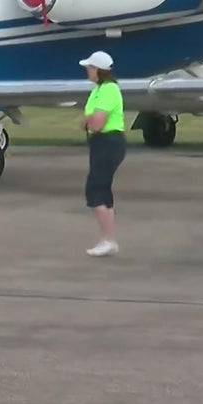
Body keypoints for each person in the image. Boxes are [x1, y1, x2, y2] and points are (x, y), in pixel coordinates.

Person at [78, 50, 126, 257]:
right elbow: (86, 121)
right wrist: (88, 120)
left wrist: (88, 120)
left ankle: (108, 239)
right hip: (101, 143)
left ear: (98, 70)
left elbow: (96, 123)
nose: (87, 71)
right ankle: (108, 239)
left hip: (108, 141)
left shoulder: (108, 90)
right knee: (102, 189)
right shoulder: (98, 90)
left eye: (89, 67)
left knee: (95, 190)